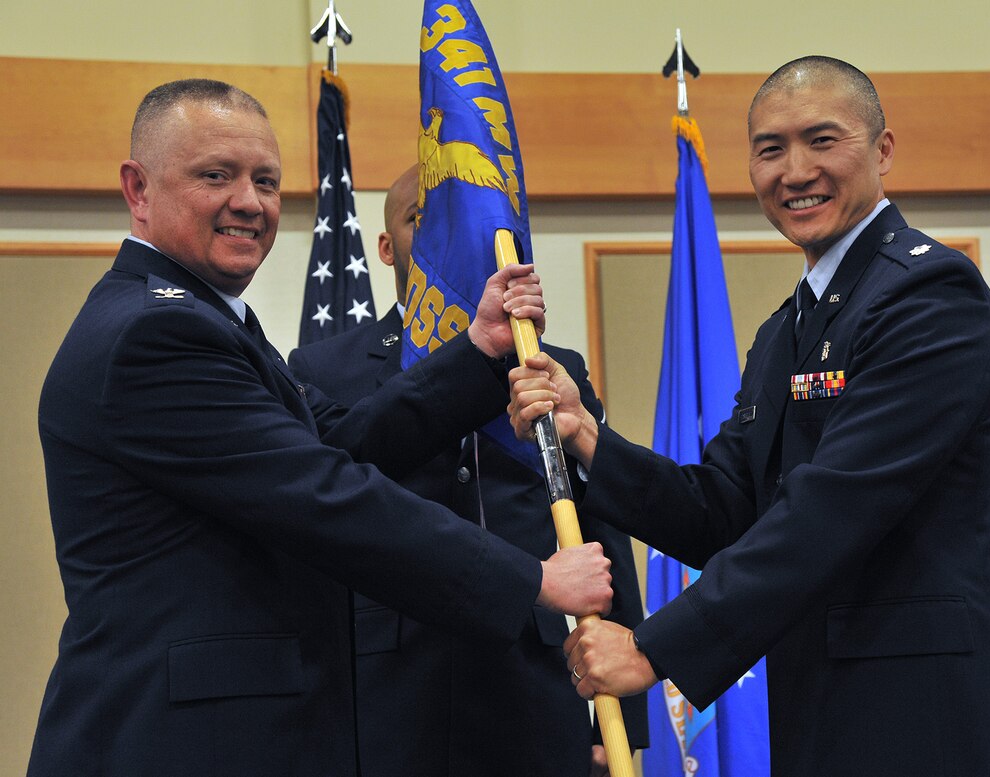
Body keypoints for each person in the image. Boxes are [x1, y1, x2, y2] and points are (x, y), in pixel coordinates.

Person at [28, 79, 615, 777]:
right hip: (179, 741)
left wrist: (479, 352)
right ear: (138, 189)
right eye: (216, 175)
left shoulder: (203, 321)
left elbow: (338, 442)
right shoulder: (155, 333)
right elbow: (324, 491)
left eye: (267, 181)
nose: (249, 201)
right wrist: (531, 581)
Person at [509, 56, 990, 777]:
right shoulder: (784, 331)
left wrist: (652, 646)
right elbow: (723, 509)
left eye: (823, 140)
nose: (795, 171)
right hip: (818, 716)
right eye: (770, 149)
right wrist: (588, 437)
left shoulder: (931, 295)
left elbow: (831, 510)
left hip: (925, 720)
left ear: (883, 150)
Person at [287, 166, 648, 777]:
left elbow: (596, 524)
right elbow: (320, 518)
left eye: (456, 218)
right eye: (419, 218)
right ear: (384, 246)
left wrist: (620, 714)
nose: (439, 235)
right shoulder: (324, 367)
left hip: (532, 679)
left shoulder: (550, 364)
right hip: (384, 683)